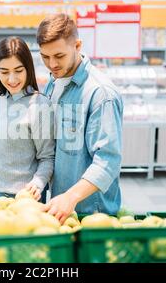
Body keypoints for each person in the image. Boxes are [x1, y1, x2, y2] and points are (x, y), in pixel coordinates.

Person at [37, 13, 123, 223]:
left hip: (91, 212)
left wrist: (71, 197)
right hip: (61, 208)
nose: (52, 64)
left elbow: (108, 161)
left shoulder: (100, 94)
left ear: (77, 46)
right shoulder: (53, 83)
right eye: (45, 57)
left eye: (59, 56)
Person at [0, 36, 55, 201]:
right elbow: (3, 142)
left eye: (19, 71)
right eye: (4, 72)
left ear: (28, 68)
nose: (12, 79)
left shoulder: (39, 105)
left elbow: (48, 157)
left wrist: (38, 183)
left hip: (23, 197)